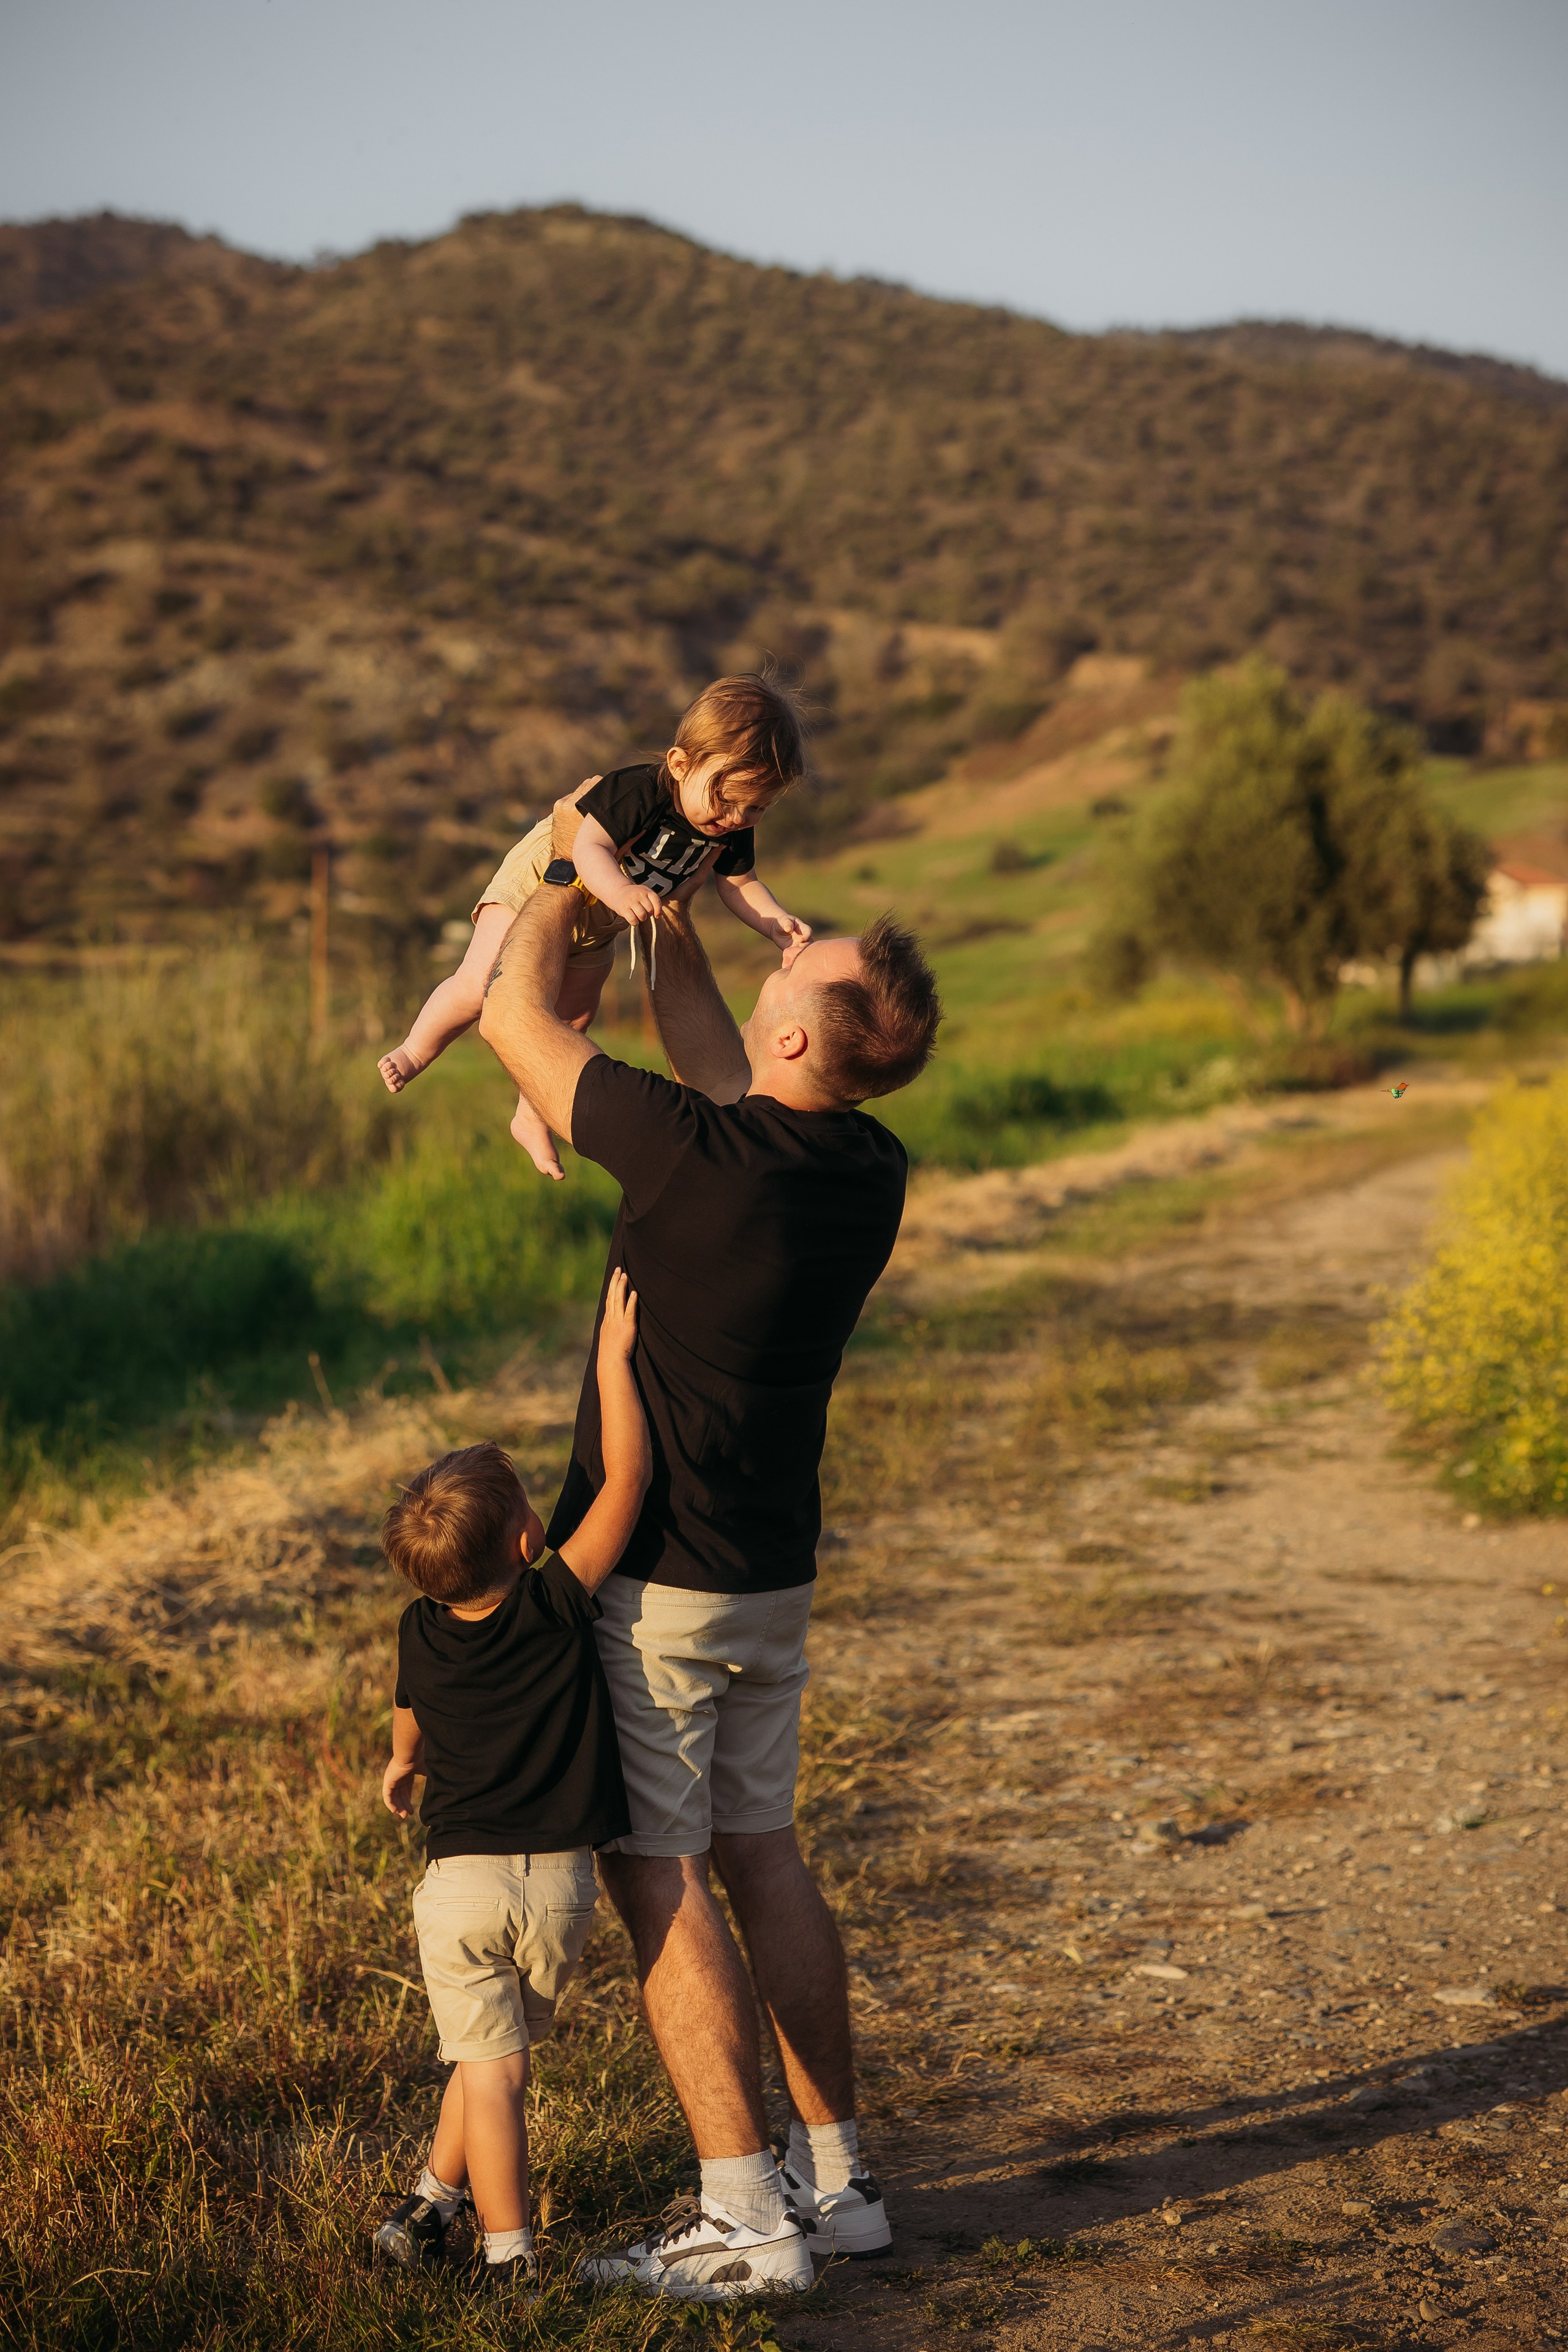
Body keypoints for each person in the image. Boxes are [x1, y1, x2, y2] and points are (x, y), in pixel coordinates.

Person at [477, 835, 941, 2304]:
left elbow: (508, 1017)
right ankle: (842, 2179)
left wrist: (564, 861)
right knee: (764, 1849)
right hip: (770, 1576)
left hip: (661, 1588)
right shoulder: (861, 1163)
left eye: (788, 965)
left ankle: (743, 2214)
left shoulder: (689, 1152)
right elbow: (716, 1061)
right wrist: (663, 912)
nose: (773, 956)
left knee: (658, 1866)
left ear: (796, 1029)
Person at [374, 1270, 650, 2300]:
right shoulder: (556, 1604)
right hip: (561, 1889)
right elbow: (624, 1483)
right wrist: (613, 1363)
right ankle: (429, 2210)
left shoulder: (417, 1631)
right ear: (530, 1541)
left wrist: (403, 1764)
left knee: (488, 2066)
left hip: (464, 1890)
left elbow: (408, 1714)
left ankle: (509, 2257)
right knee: (488, 2058)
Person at [375, 673, 814, 1180]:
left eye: (757, 806)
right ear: (679, 764)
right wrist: (623, 892)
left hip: (603, 917)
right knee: (483, 986)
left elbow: (739, 885)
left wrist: (775, 923)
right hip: (548, 877)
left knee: (571, 1020)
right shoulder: (639, 791)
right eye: (726, 798)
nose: (737, 817)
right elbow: (585, 847)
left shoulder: (731, 827)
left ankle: (531, 1113)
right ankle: (414, 1050)